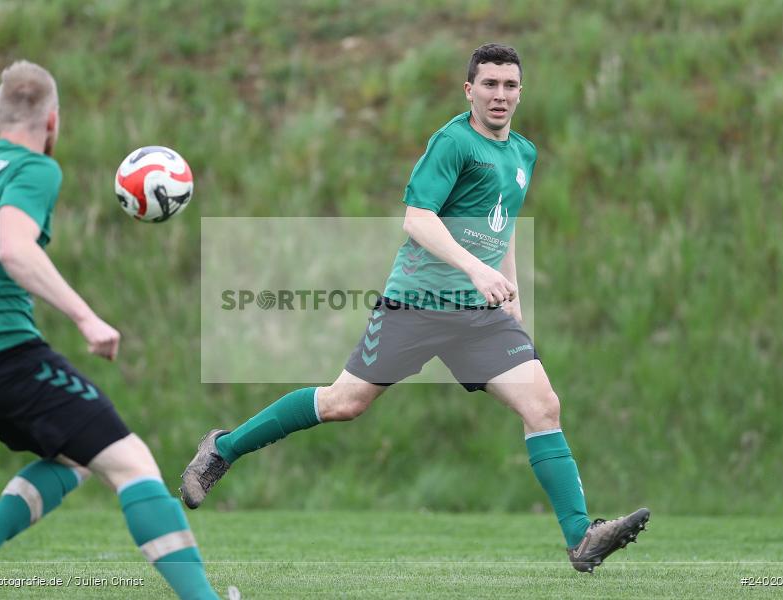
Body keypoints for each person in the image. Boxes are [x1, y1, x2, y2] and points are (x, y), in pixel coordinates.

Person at [181, 43, 648, 573]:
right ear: (469, 90)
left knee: (543, 406)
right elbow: (417, 219)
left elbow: (504, 225)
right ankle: (224, 448)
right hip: (417, 304)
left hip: (479, 315)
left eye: (510, 85)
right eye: (489, 85)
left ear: (521, 92)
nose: (500, 95)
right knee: (343, 403)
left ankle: (581, 538)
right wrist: (474, 268)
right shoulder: (452, 143)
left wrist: (511, 292)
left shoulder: (523, 153)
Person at [0, 60, 225, 599]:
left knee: (78, 457)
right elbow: (13, 249)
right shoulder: (37, 168)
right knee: (132, 463)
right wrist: (86, 317)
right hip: (4, 355)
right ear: (53, 122)